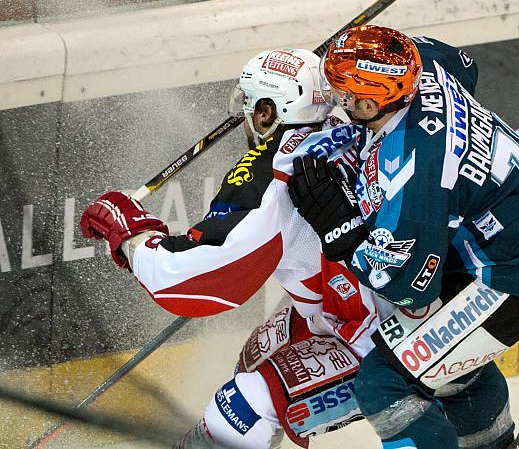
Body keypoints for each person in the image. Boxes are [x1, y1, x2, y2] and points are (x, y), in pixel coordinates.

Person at [80, 48, 394, 448]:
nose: (243, 116)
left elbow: (185, 277)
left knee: (240, 410)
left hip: (381, 335)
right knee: (256, 357)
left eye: (248, 105)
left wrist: (128, 231)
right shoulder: (339, 121)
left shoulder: (272, 181)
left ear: (266, 114)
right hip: (376, 300)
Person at [288, 25, 519, 448]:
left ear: (372, 102)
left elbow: (409, 287)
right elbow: (465, 66)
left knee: (385, 384)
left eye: (344, 95)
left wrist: (343, 233)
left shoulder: (413, 170)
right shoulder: (420, 66)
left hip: (518, 272)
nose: (337, 102)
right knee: (451, 369)